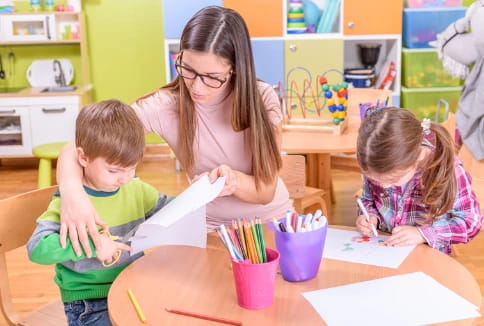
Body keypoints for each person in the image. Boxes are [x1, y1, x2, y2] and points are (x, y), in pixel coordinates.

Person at [56, 6, 292, 257]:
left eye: (211, 76)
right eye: (188, 69)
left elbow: (266, 192)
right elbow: (81, 145)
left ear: (234, 68)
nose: (196, 87)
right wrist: (71, 192)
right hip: (208, 230)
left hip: (270, 224)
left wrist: (233, 181)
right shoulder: (163, 105)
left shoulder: (262, 99)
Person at [27, 99, 170, 326]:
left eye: (132, 168)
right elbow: (37, 249)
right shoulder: (70, 204)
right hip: (89, 301)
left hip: (133, 284)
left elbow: (169, 209)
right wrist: (93, 245)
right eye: (114, 170)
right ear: (83, 157)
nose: (124, 178)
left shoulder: (136, 188)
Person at [355, 107, 482, 255]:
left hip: (427, 256)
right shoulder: (377, 164)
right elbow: (367, 199)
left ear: (418, 156)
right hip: (385, 250)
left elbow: (470, 222)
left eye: (393, 179)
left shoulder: (448, 170)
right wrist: (368, 216)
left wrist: (423, 234)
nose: (384, 185)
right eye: (375, 179)